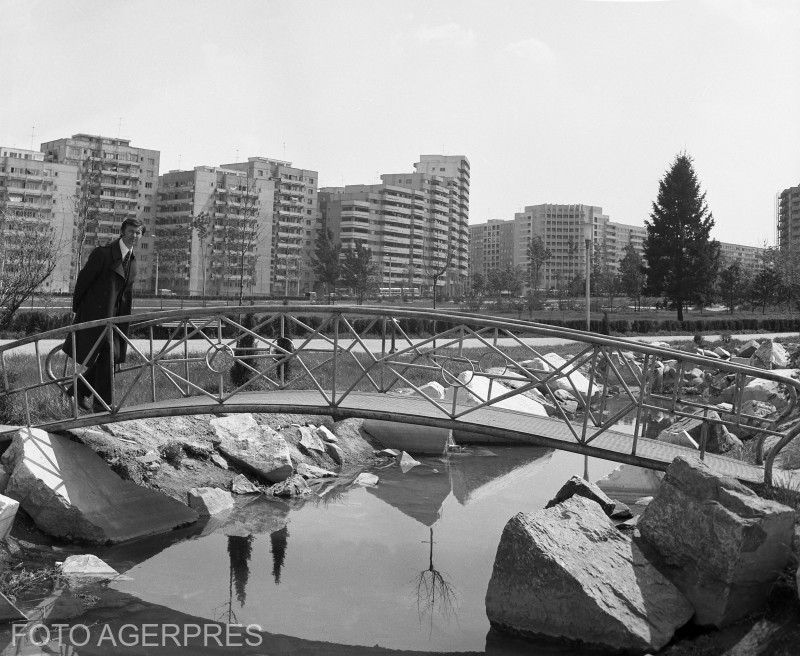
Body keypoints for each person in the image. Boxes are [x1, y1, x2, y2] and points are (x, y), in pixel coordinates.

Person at [62, 218, 144, 412]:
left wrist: (124, 319)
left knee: (112, 357)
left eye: (138, 232)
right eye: (131, 231)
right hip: (97, 314)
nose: (134, 235)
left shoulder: (132, 261)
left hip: (116, 319)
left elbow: (126, 294)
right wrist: (81, 310)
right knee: (108, 354)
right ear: (123, 232)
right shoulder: (103, 254)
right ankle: (102, 404)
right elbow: (83, 281)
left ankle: (78, 390)